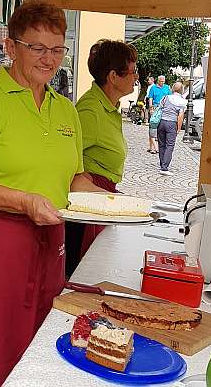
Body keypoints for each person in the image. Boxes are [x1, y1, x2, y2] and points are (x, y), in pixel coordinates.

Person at [0, 0, 103, 387]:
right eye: (37, 47)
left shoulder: (66, 110)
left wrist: (116, 204)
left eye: (56, 49)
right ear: (12, 46)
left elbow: (75, 180)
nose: (48, 59)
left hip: (51, 242)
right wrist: (23, 201)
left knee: (41, 340)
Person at [66, 39, 138, 275]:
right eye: (132, 71)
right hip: (88, 202)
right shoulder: (90, 110)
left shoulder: (108, 106)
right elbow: (66, 158)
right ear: (113, 77)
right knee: (85, 270)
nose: (136, 77)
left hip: (101, 196)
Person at [157, 81, 187, 175]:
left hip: (161, 122)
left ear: (173, 88)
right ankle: (164, 168)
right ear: (181, 90)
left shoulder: (166, 97)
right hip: (171, 123)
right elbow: (180, 115)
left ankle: (162, 163)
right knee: (169, 145)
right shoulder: (182, 101)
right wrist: (178, 128)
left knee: (161, 144)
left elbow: (160, 108)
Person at [148, 75, 170, 153]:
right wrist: (151, 108)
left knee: (159, 126)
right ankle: (153, 147)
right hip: (155, 107)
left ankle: (152, 147)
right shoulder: (153, 88)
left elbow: (169, 98)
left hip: (163, 108)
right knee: (153, 125)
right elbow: (150, 98)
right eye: (161, 81)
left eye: (163, 81)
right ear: (158, 81)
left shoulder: (167, 87)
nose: (162, 83)